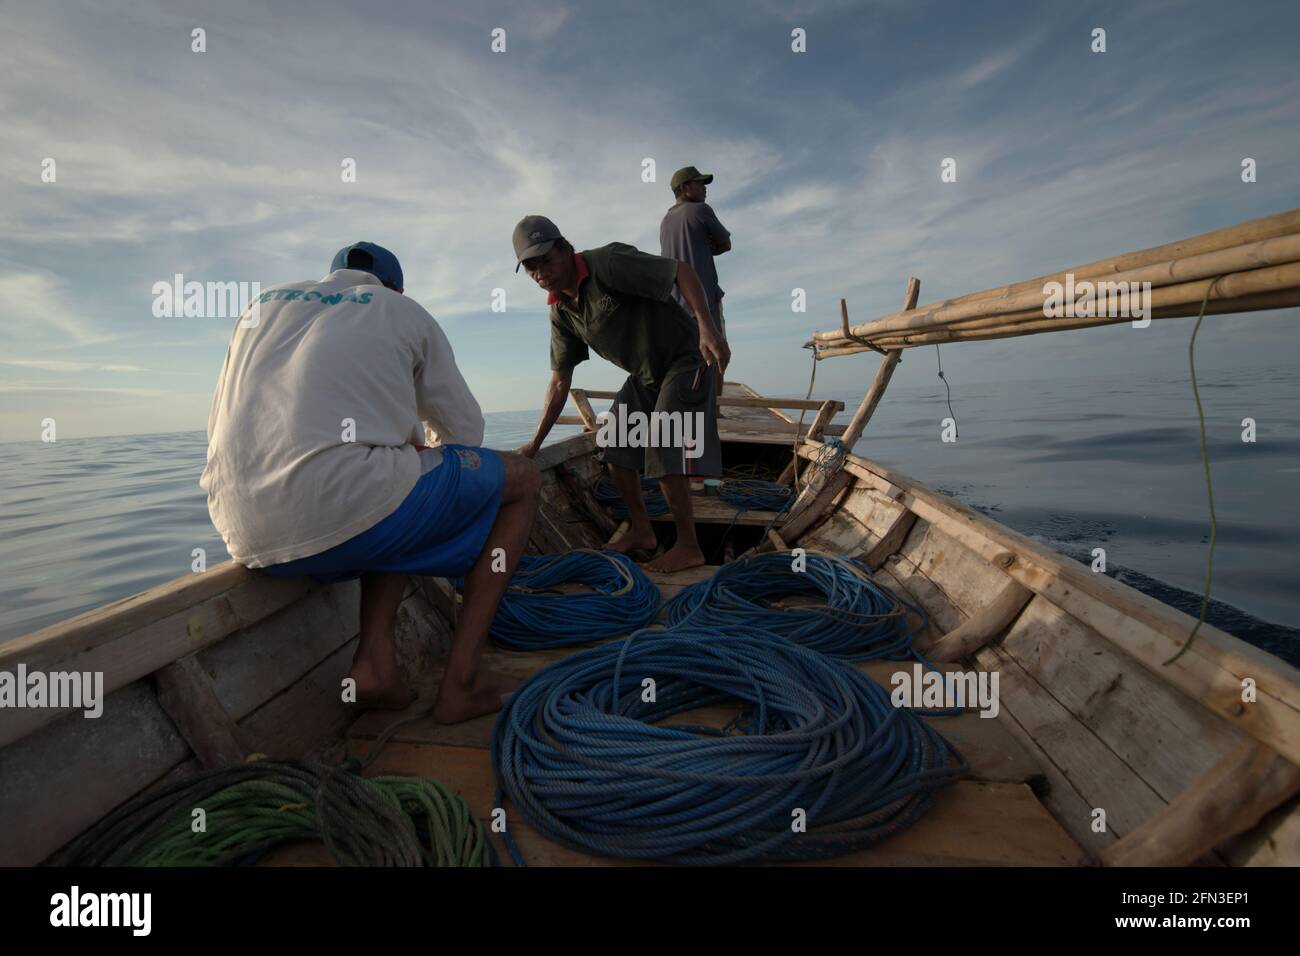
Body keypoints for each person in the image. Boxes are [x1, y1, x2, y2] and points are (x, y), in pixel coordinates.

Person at [201, 242, 539, 722]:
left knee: (393, 470)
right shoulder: (401, 310)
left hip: (241, 530)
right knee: (521, 480)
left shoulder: (263, 305)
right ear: (394, 287)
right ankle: (462, 683)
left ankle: (375, 664)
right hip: (347, 514)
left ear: (330, 277)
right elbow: (467, 434)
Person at [513, 215, 729, 573]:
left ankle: (689, 546)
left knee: (662, 441)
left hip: (686, 358)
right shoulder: (561, 312)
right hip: (646, 375)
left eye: (546, 261)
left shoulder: (607, 263)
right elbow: (559, 383)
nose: (541, 274)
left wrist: (707, 327)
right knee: (613, 442)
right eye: (532, 268)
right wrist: (533, 446)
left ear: (566, 250)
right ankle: (642, 531)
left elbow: (681, 272)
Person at [660, 166, 731, 345]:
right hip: (705, 303)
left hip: (675, 308)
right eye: (699, 184)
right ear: (685, 188)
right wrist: (709, 246)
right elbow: (725, 245)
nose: (704, 188)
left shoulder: (665, 221)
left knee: (689, 360)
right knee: (716, 355)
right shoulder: (700, 209)